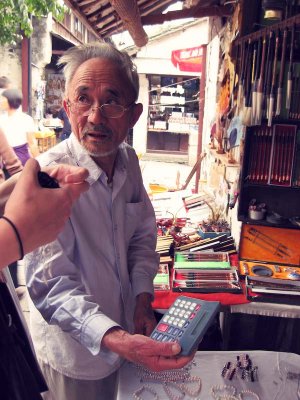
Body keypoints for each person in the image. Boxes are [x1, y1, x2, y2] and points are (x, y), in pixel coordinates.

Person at [25, 42, 193, 400]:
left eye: (111, 101)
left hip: (128, 339)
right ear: (67, 108)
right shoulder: (47, 177)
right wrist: (117, 339)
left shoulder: (129, 161)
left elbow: (142, 238)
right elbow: (50, 287)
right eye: (83, 99)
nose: (96, 117)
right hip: (77, 356)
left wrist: (142, 301)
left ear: (133, 115)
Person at [0, 88, 40, 166]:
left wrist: (40, 163)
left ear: (11, 100)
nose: (0, 101)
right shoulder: (1, 119)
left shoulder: (26, 119)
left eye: (3, 99)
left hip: (21, 160)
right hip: (4, 160)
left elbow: (32, 143)